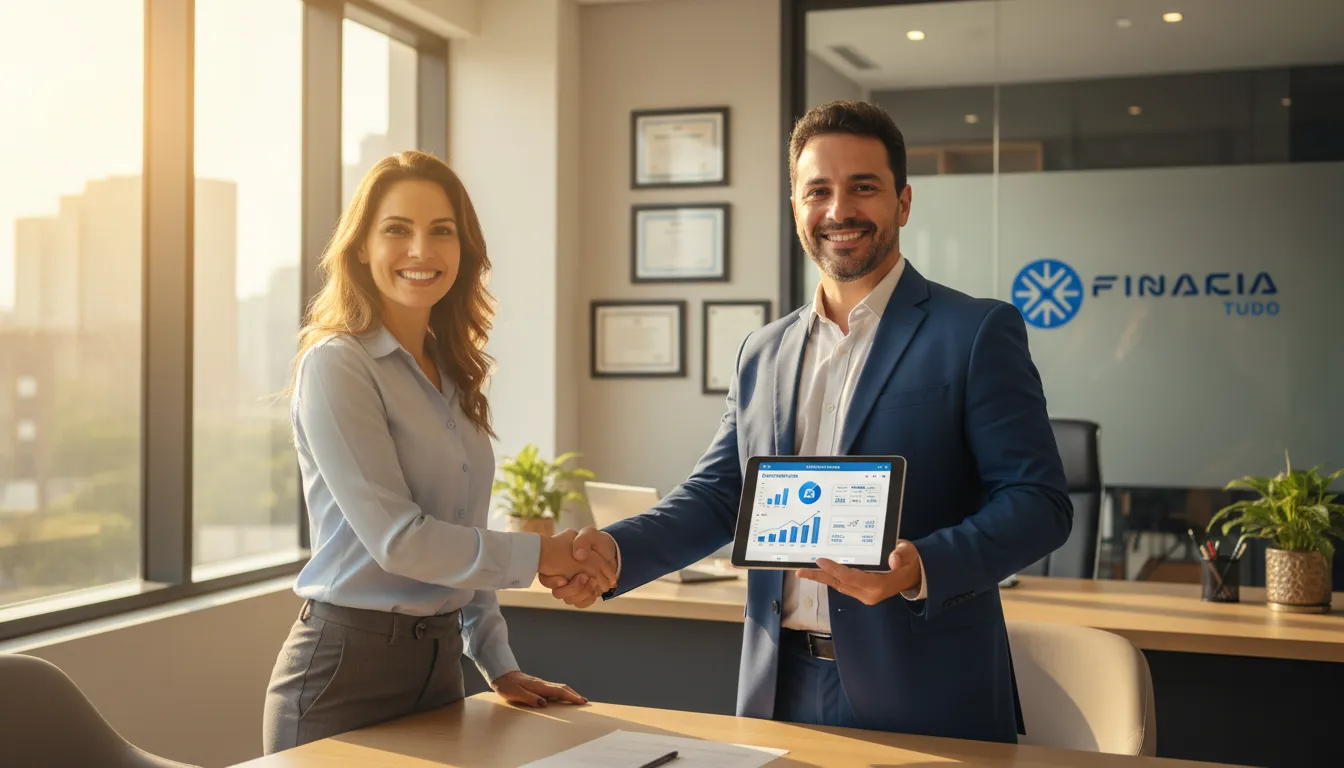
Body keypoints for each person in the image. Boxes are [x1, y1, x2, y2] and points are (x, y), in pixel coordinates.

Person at [542, 101, 1072, 743]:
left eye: (864, 188)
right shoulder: (762, 351)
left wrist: (916, 566)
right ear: (795, 207)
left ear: (903, 202)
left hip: (925, 692)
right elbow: (722, 497)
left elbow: (1039, 503)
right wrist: (616, 550)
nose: (839, 210)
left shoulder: (975, 332)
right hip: (777, 685)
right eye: (818, 190)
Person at [262, 151, 616, 754]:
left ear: (464, 251)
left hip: (438, 669)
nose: (421, 250)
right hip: (344, 672)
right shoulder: (337, 365)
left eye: (441, 231)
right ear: (360, 248)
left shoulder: (454, 373)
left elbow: (460, 534)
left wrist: (497, 662)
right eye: (397, 229)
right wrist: (542, 554)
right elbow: (400, 541)